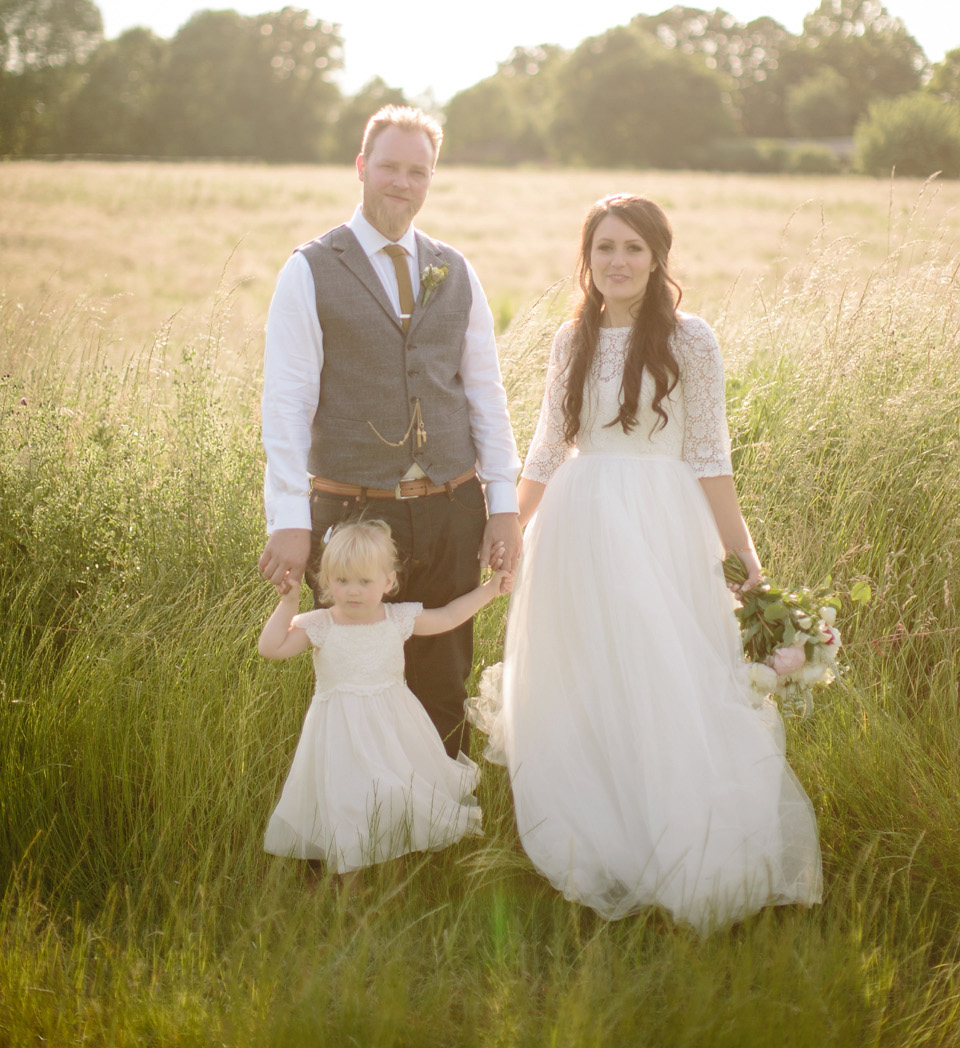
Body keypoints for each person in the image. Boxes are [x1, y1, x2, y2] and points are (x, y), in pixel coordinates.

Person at [469, 194, 822, 932]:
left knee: (669, 678)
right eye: (604, 249)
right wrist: (511, 530)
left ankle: (686, 847)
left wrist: (743, 558)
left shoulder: (691, 339)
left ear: (658, 256)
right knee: (587, 683)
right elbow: (544, 446)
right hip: (576, 524)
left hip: (662, 522)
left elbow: (708, 455)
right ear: (587, 260)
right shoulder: (573, 340)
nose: (618, 262)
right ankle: (603, 841)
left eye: (632, 247)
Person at [258, 105, 522, 758]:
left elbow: (485, 394)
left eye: (418, 171)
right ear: (361, 167)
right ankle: (362, 824)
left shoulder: (454, 269)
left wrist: (504, 506)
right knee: (357, 680)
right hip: (352, 512)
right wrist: (288, 518)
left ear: (430, 179)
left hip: (452, 506)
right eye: (389, 167)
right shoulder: (310, 269)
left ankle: (442, 821)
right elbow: (286, 404)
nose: (402, 183)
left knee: (443, 673)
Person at [259, 520, 514, 874]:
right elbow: (271, 648)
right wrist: (288, 602)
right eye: (342, 581)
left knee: (394, 789)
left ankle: (394, 864)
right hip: (339, 731)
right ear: (326, 582)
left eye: (365, 581)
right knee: (347, 796)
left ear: (388, 581)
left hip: (392, 725)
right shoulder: (321, 623)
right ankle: (350, 875)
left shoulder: (397, 618)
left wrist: (490, 590)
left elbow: (449, 616)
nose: (353, 591)